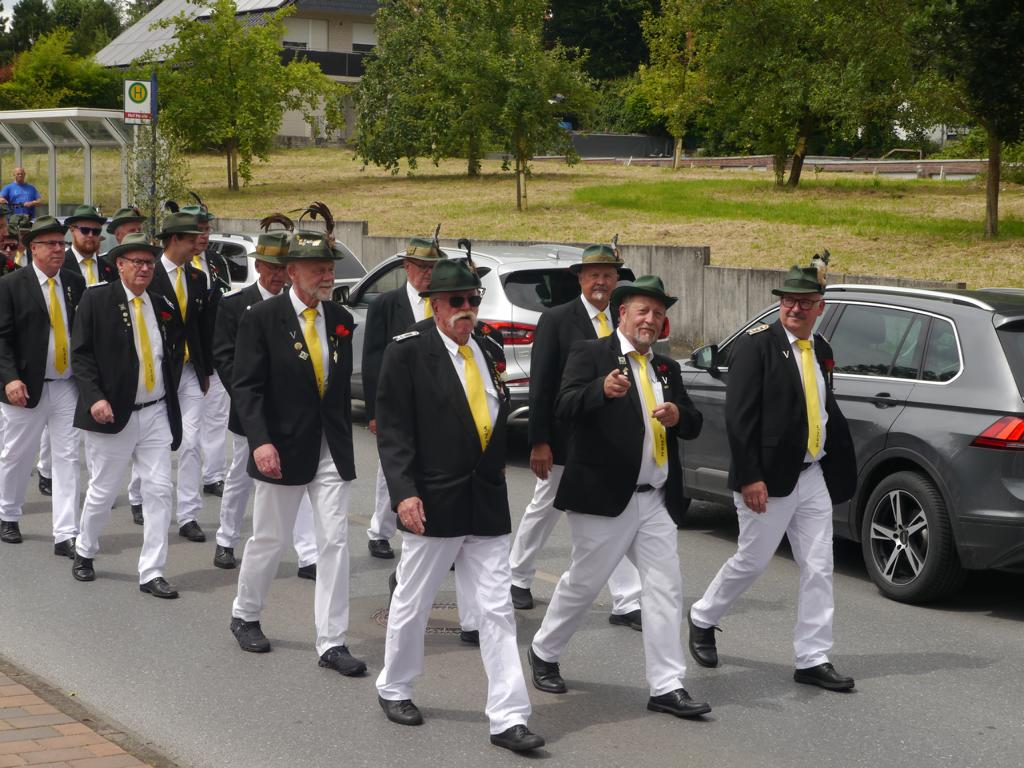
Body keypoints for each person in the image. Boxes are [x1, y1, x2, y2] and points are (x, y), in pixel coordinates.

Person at [375, 259, 544, 753]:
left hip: (484, 498)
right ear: (435, 305)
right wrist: (404, 493)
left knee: (496, 610)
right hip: (433, 498)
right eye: (456, 301)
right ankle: (395, 686)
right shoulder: (408, 352)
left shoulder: (486, 348)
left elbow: (492, 415)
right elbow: (395, 431)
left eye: (473, 300)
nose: (467, 308)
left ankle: (509, 718)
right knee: (414, 601)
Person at [528, 276, 711, 720]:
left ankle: (667, 685)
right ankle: (544, 650)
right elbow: (564, 405)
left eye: (658, 314)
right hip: (603, 495)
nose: (651, 320)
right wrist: (600, 391)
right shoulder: (591, 354)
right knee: (584, 582)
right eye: (643, 311)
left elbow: (693, 422)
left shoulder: (666, 368)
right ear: (622, 313)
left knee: (666, 588)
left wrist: (679, 414)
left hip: (655, 500)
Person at [687, 263, 858, 691]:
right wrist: (750, 476)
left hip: (812, 472)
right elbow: (739, 418)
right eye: (788, 301)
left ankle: (812, 657)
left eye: (804, 302)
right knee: (753, 560)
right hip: (767, 476)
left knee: (819, 565)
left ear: (820, 307)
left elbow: (822, 407)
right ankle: (703, 616)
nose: (795, 308)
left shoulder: (820, 347)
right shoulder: (756, 347)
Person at [228, 230, 364, 678]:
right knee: (270, 538)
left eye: (329, 268)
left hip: (330, 448)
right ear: (291, 272)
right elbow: (247, 387)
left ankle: (332, 641)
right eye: (318, 269)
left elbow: (337, 389)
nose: (327, 276)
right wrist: (260, 441)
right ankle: (246, 613)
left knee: (334, 542)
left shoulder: (339, 318)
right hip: (281, 446)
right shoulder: (262, 318)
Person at [509, 244, 643, 630]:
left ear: (616, 280)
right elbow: (542, 383)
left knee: (614, 513)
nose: (601, 282)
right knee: (546, 506)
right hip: (566, 436)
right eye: (593, 275)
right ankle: (518, 576)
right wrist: (539, 440)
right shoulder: (556, 320)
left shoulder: (624, 319)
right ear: (580, 279)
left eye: (608, 275)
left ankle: (626, 599)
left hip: (612, 438)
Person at [69, 233, 183, 598]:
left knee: (160, 491)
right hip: (112, 413)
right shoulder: (96, 300)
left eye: (149, 263)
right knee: (103, 490)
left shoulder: (161, 303)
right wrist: (94, 398)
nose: (145, 269)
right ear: (119, 265)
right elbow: (81, 355)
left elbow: (171, 351)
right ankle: (85, 549)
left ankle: (152, 571)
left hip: (155, 412)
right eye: (137, 262)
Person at [211, 231, 317, 579]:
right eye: (271, 267)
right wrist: (248, 400)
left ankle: (308, 554)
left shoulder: (296, 305)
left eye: (282, 268)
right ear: (258, 267)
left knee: (298, 480)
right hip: (251, 410)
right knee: (241, 477)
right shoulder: (235, 304)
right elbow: (225, 358)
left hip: (290, 413)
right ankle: (226, 539)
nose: (277, 274)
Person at [0, 217, 86, 553]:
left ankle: (66, 533)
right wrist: (10, 378)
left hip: (66, 385)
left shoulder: (74, 282)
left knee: (68, 458)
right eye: (50, 244)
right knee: (16, 455)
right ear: (32, 249)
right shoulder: (11, 285)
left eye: (61, 243)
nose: (58, 249)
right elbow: (2, 338)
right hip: (24, 387)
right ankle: (8, 514)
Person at [361, 236, 445, 559]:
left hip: (435, 402)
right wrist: (373, 411)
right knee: (392, 469)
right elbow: (372, 360)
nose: (427, 273)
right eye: (422, 267)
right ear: (407, 267)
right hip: (397, 401)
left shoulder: (442, 303)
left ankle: (435, 532)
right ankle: (380, 532)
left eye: (432, 267)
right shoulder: (385, 304)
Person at [142, 212, 212, 542]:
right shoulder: (150, 274)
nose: (199, 242)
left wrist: (206, 369)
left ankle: (188, 514)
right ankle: (138, 495)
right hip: (158, 372)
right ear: (174, 240)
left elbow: (202, 327)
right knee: (148, 440)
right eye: (192, 238)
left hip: (190, 371)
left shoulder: (197, 277)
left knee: (192, 441)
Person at [180, 202, 232, 499]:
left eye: (207, 229)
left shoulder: (216, 261)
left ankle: (213, 475)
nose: (203, 236)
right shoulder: (170, 264)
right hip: (186, 357)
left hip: (215, 351)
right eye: (198, 230)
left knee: (217, 416)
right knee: (186, 426)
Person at [63, 205, 117, 286]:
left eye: (96, 231)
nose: (90, 235)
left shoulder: (109, 268)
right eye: (85, 230)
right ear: (72, 230)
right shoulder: (60, 266)